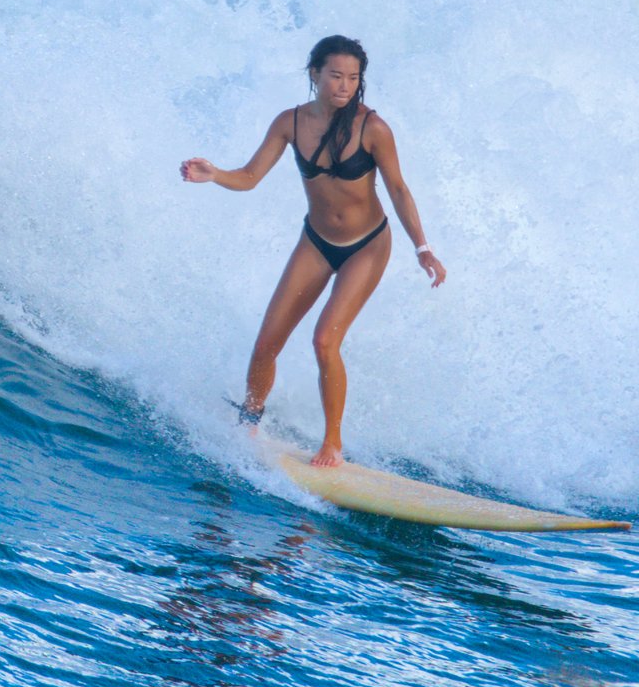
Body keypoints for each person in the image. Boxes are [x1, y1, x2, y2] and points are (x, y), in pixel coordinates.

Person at [180, 35, 446, 467]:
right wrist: (216, 175)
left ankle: (333, 445)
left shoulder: (372, 128)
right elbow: (249, 176)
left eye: (353, 78)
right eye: (336, 76)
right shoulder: (290, 122)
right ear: (315, 74)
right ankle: (249, 421)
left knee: (324, 341)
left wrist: (423, 247)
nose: (345, 85)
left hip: (367, 245)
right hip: (316, 242)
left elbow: (398, 189)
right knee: (267, 343)